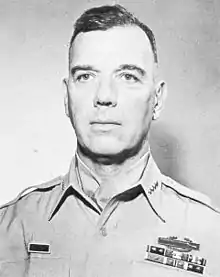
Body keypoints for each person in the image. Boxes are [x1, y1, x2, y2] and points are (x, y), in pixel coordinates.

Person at [0, 4, 220, 277]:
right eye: (86, 76)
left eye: (128, 76)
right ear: (66, 98)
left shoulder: (210, 233)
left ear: (157, 100)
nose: (104, 96)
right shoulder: (10, 226)